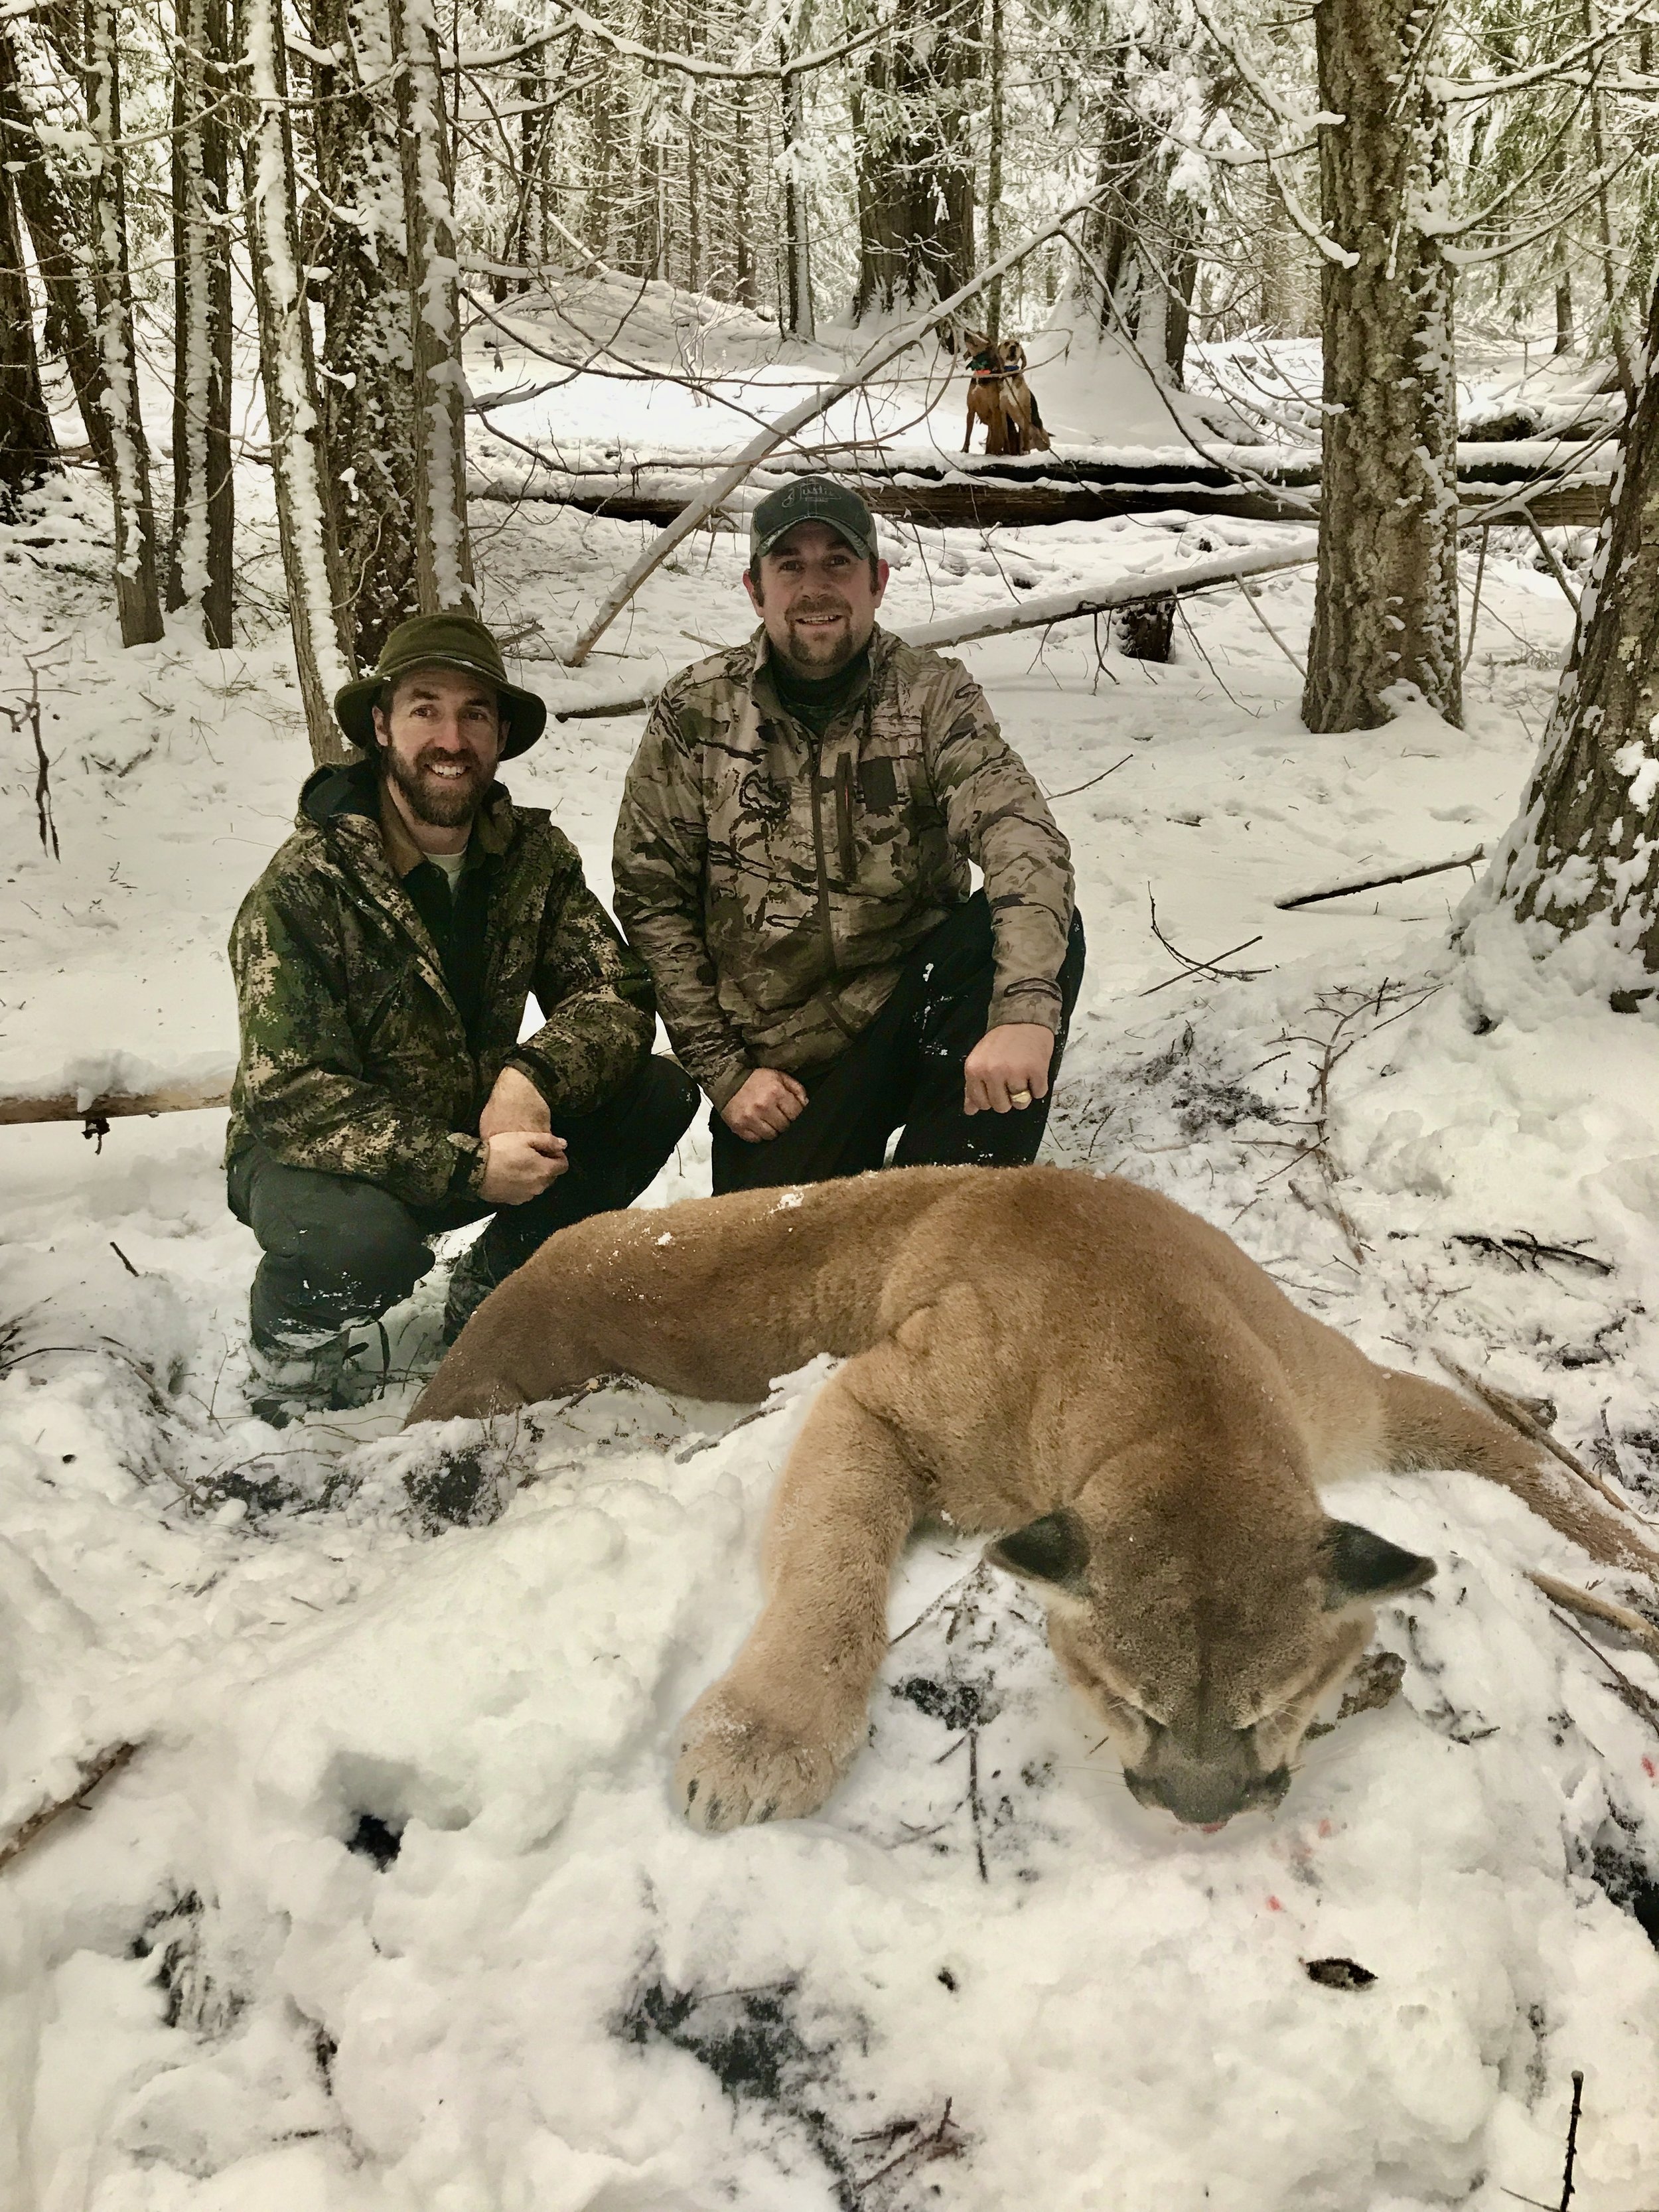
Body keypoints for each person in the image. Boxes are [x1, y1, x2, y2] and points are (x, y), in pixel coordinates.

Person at [226, 612, 697, 1412]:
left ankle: (495, 1287)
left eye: (475, 713)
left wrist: (530, 1074)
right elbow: (295, 1094)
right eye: (425, 709)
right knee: (359, 1245)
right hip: (322, 1162)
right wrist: (463, 1167)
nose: (452, 738)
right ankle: (294, 1356)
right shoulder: (307, 884)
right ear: (382, 726)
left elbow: (615, 993)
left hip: (482, 1125)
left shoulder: (532, 860)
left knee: (654, 1092)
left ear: (500, 733)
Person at [613, 480, 1084, 1195]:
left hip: (908, 1011)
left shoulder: (932, 696)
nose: (815, 587)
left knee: (1018, 932)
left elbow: (1020, 833)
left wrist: (1021, 1011)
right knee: (773, 1282)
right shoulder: (695, 713)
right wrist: (725, 1072)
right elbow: (651, 900)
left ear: (876, 581)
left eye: (837, 562)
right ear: (755, 588)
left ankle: (942, 1210)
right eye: (790, 566)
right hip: (786, 1067)